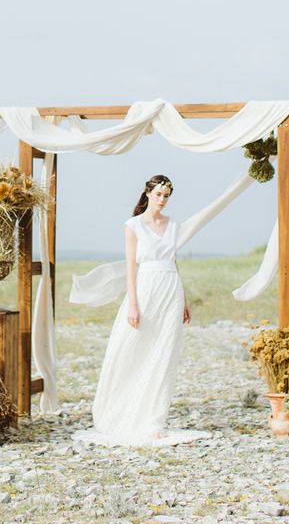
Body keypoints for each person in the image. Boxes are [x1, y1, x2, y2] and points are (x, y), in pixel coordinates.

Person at [72, 175, 211, 447]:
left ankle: (154, 420)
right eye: (158, 194)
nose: (162, 199)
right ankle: (118, 411)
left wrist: (184, 300)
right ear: (148, 194)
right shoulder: (133, 225)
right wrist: (132, 302)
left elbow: (174, 260)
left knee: (164, 352)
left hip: (170, 288)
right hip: (145, 289)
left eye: (166, 195)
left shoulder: (173, 225)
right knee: (130, 346)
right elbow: (131, 266)